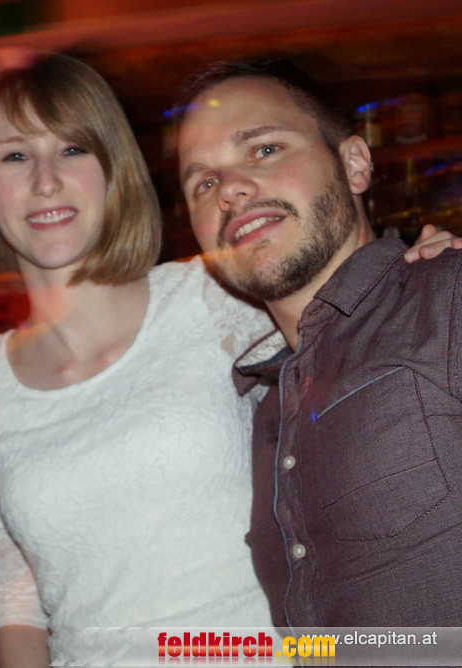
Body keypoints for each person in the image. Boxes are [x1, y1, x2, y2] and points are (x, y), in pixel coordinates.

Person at [0, 52, 456, 665]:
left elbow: (342, 289)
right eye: (15, 156)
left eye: (73, 149)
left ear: (115, 171)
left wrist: (425, 268)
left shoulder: (221, 293)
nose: (45, 180)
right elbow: (17, 595)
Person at [177, 59, 462, 628]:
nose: (229, 189)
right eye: (203, 183)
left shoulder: (445, 299)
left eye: (264, 149)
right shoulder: (268, 409)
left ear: (354, 164)